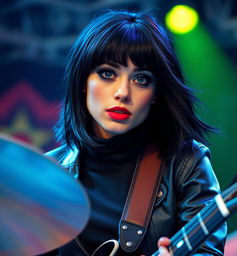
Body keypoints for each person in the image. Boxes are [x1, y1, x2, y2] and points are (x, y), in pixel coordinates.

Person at [44, 10, 227, 256]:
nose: (123, 92)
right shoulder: (45, 173)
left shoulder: (186, 163)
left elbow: (208, 251)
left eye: (141, 79)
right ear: (83, 83)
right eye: (108, 73)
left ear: (155, 95)